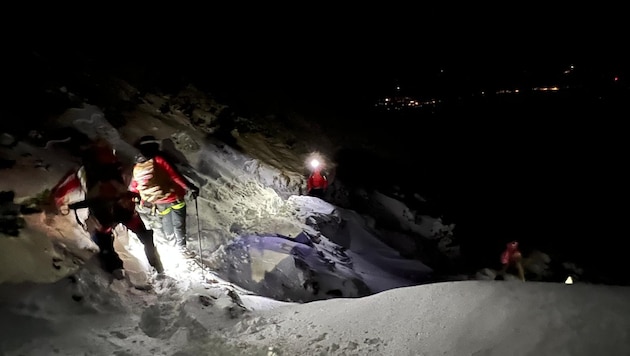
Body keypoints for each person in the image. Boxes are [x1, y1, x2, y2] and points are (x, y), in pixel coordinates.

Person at [51, 138, 164, 278]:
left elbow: (66, 186)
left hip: (102, 211)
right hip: (124, 207)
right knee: (143, 235)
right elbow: (127, 177)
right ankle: (157, 266)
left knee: (104, 239)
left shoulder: (86, 170)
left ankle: (115, 268)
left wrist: (58, 200)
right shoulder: (116, 165)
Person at [128, 136, 199, 257]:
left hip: (157, 200)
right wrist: (190, 187)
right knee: (178, 223)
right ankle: (181, 248)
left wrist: (139, 199)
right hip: (173, 196)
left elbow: (134, 186)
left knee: (166, 220)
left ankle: (171, 244)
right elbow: (174, 176)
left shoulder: (137, 166)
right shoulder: (159, 159)